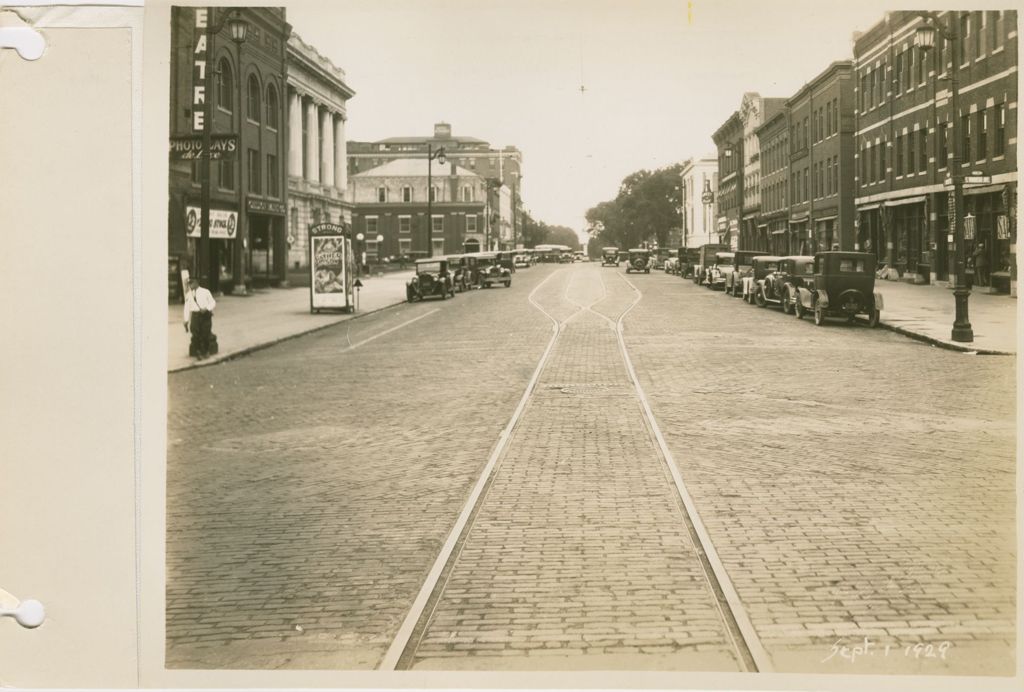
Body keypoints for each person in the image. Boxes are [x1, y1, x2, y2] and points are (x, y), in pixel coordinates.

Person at [183, 278, 216, 359]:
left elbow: (213, 302)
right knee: (195, 334)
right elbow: (186, 308)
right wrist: (186, 320)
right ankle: (198, 352)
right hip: (195, 316)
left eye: (191, 283)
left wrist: (207, 308)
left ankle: (206, 351)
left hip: (205, 315)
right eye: (189, 283)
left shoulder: (205, 291)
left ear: (196, 282)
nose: (190, 285)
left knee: (206, 333)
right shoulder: (189, 294)